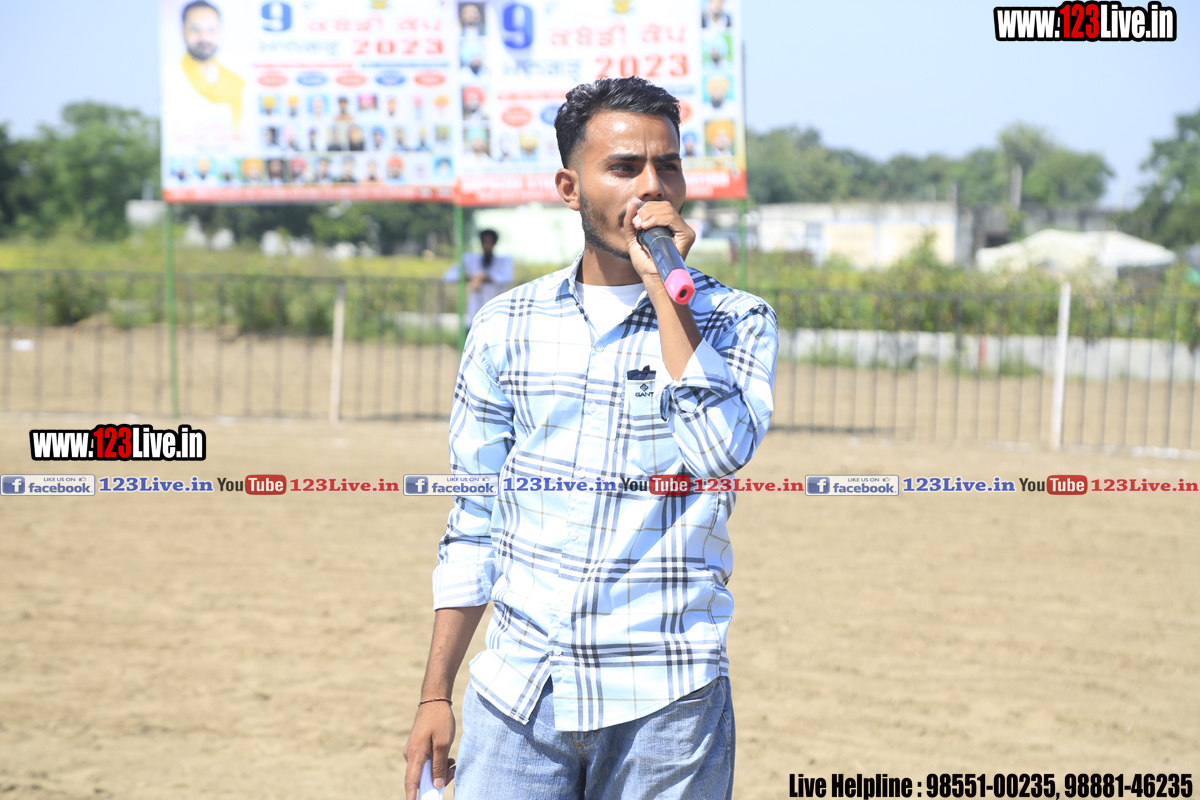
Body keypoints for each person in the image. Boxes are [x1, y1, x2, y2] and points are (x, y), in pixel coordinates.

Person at [403, 76, 777, 800]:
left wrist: (667, 290)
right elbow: (474, 518)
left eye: (668, 166)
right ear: (570, 188)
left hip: (666, 702)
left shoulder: (736, 321)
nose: (652, 186)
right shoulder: (505, 326)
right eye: (624, 167)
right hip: (519, 698)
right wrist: (435, 693)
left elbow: (718, 453)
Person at [177, 0, 245, 132]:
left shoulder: (236, 81)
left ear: (220, 31)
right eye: (195, 29)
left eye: (211, 29)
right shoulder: (172, 77)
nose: (204, 37)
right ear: (183, 32)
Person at [442, 229, 514, 328]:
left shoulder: (503, 260)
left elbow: (507, 278)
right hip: (475, 313)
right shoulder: (470, 259)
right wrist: (471, 278)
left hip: (496, 314)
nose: (487, 245)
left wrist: (484, 278)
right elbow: (448, 276)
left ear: (494, 243)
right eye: (485, 242)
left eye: (490, 242)